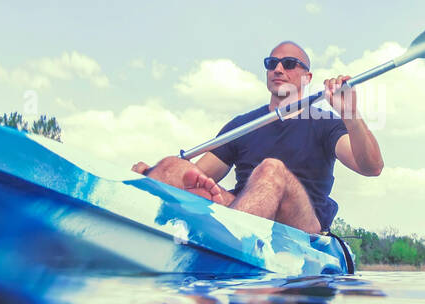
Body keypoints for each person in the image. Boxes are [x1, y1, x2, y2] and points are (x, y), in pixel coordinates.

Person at [132, 41, 383, 234]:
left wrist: (350, 114)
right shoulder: (243, 125)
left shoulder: (325, 122)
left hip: (300, 227)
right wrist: (154, 173)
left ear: (308, 77)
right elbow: (194, 177)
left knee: (271, 170)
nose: (278, 68)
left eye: (289, 63)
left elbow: (371, 167)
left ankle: (226, 244)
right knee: (171, 166)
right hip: (243, 211)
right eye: (271, 63)